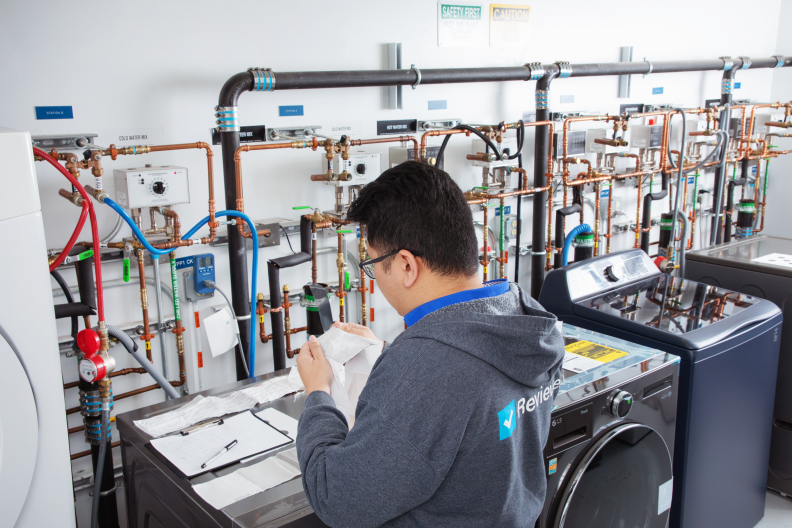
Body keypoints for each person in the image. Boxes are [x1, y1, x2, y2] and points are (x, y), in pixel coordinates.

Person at [296, 161, 565, 528]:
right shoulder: (526, 318)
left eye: (374, 265)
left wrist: (318, 394)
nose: (376, 280)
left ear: (407, 265)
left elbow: (337, 497)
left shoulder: (427, 369)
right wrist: (391, 354)